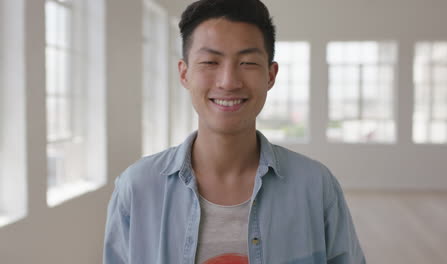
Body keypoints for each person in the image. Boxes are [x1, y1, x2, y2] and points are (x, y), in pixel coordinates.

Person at [103, 0, 366, 263]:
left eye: (248, 62)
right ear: (184, 74)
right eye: (210, 62)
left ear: (271, 75)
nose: (228, 82)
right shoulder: (137, 187)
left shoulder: (315, 186)